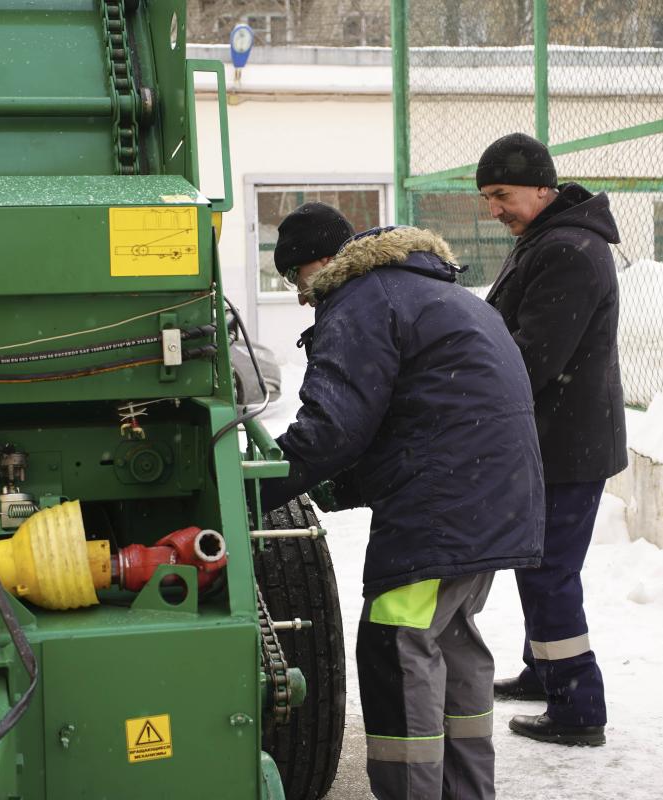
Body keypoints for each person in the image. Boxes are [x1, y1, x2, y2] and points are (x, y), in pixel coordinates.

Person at [259, 201, 545, 800]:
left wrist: (252, 488)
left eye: (296, 277)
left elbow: (334, 427)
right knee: (453, 643)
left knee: (396, 646)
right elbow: (421, 415)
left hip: (441, 508)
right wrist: (344, 484)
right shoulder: (432, 291)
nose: (302, 296)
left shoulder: (362, 300)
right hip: (494, 500)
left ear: (322, 261)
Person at [476, 132, 628, 747]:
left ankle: (578, 709)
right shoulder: (547, 238)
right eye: (487, 198)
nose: (494, 209)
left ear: (542, 187)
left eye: (502, 194)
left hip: (566, 445)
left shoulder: (567, 250)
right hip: (555, 439)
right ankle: (543, 672)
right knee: (537, 565)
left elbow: (532, 356)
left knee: (550, 574)